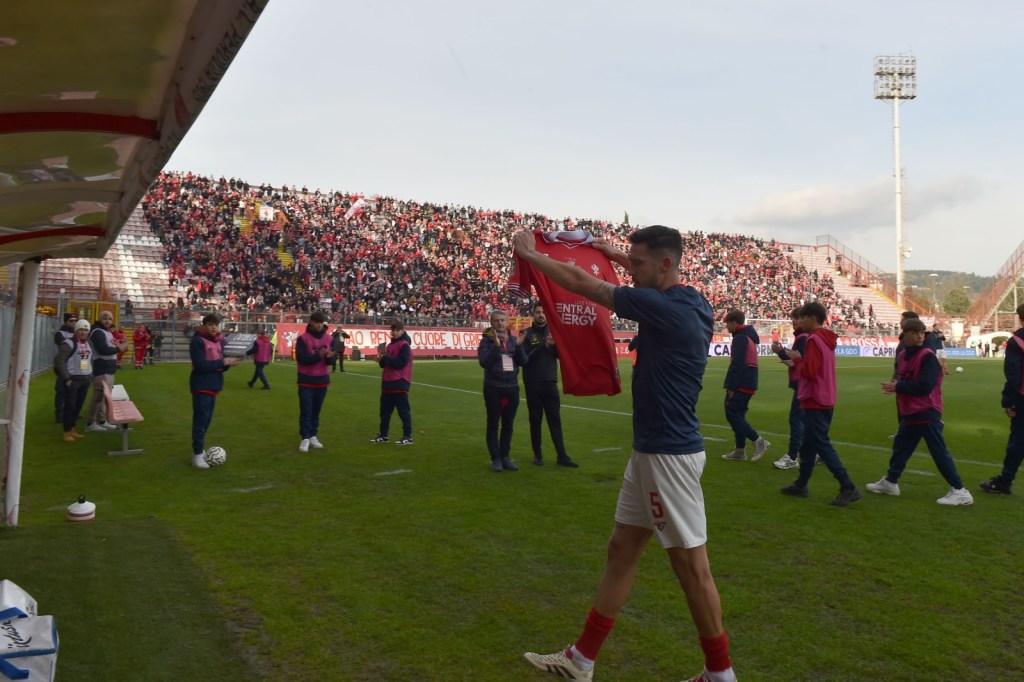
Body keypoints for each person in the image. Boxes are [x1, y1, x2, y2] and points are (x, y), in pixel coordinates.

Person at [514, 225, 737, 682]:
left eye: (636, 264)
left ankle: (720, 674)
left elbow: (583, 284)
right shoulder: (692, 300)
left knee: (692, 568)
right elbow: (641, 270)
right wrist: (610, 251)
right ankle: (581, 660)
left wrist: (531, 255)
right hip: (652, 453)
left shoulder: (660, 306)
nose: (629, 271)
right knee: (622, 548)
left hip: (667, 457)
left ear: (666, 265)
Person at [867, 317, 974, 505]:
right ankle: (891, 482)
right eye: (914, 333)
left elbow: (925, 386)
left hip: (927, 410)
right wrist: (896, 386)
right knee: (901, 448)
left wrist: (899, 387)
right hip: (911, 411)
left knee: (938, 450)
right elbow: (906, 381)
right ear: (904, 336)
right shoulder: (902, 356)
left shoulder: (928, 356)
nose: (919, 336)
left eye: (921, 333)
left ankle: (959, 490)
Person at [781, 302, 863, 507]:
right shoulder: (827, 339)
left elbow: (810, 372)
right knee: (808, 444)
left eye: (802, 317)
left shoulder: (814, 340)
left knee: (820, 443)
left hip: (815, 396)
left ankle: (848, 486)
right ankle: (801, 484)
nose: (799, 321)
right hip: (826, 395)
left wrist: (798, 360)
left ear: (813, 318)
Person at [520, 302, 577, 467]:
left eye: (543, 312)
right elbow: (524, 358)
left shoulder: (554, 333)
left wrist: (554, 346)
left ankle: (562, 456)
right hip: (533, 383)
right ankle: (537, 455)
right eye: (538, 312)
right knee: (535, 420)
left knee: (555, 420)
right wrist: (542, 346)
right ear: (533, 314)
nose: (541, 315)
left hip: (551, 382)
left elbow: (562, 356)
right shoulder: (526, 333)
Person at [980, 303, 1024, 494]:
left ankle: (1005, 481)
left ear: (1020, 317)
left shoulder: (1017, 342)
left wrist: (1008, 401)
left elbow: (1013, 375)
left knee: (1018, 442)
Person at [478, 309, 528, 473]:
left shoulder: (513, 340)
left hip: (512, 387)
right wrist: (496, 347)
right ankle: (496, 458)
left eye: (502, 320)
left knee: (508, 425)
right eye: (496, 321)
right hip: (493, 387)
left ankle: (505, 457)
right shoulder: (486, 341)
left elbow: (523, 362)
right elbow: (484, 363)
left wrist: (519, 347)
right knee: (493, 424)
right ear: (491, 324)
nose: (500, 323)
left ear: (507, 323)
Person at [720, 309, 770, 462]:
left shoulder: (741, 338)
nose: (726, 327)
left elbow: (738, 364)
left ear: (734, 323)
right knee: (737, 414)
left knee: (732, 414)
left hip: (742, 381)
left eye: (727, 324)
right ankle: (740, 450)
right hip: (749, 380)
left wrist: (731, 386)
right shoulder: (748, 336)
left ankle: (758, 441)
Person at [189, 313, 239, 468]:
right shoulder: (197, 341)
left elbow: (217, 365)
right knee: (201, 420)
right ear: (204, 325)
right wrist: (221, 362)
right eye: (210, 324)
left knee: (206, 420)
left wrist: (226, 365)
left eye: (216, 325)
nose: (214, 327)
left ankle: (199, 449)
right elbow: (200, 365)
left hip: (213, 385)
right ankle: (197, 454)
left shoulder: (218, 342)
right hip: (201, 385)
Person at [771, 308, 809, 470]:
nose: (794, 321)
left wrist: (780, 352)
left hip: (803, 383)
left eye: (797, 318)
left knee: (796, 419)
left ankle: (793, 457)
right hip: (806, 383)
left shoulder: (803, 337)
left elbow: (798, 359)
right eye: (793, 318)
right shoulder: (805, 336)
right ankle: (817, 452)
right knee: (808, 421)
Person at [295, 310, 335, 452]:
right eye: (316, 322)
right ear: (311, 322)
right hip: (306, 380)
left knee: (316, 411)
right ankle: (305, 437)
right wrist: (319, 355)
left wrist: (330, 357)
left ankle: (313, 435)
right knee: (306, 410)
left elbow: (332, 360)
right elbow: (302, 359)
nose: (319, 325)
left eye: (321, 322)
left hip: (322, 380)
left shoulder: (329, 339)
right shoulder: (302, 339)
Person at [369, 320, 414, 445]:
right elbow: (385, 365)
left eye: (396, 330)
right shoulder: (389, 346)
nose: (394, 332)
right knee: (384, 413)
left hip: (400, 382)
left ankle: (407, 436)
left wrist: (386, 359)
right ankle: (384, 435)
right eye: (392, 330)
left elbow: (401, 363)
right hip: (388, 382)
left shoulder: (404, 345)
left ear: (402, 331)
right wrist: (381, 359)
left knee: (403, 412)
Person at [86, 310, 128, 432]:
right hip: (101, 368)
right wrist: (119, 349)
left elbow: (110, 349)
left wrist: (120, 348)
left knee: (104, 397)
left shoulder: (106, 332)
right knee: (98, 397)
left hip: (108, 368)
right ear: (99, 319)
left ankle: (101, 421)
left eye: (110, 319)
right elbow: (103, 350)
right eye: (105, 318)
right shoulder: (97, 332)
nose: (107, 321)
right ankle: (90, 423)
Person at [55, 319, 93, 442]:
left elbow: (89, 360)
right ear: (76, 330)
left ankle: (72, 429)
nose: (83, 332)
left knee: (78, 406)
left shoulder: (89, 343)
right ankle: (66, 431)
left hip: (85, 379)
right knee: (69, 406)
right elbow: (59, 361)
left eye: (86, 330)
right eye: (81, 329)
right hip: (73, 380)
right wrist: (66, 378)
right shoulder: (68, 344)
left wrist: (90, 375)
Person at [53, 312, 77, 423]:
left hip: (74, 366)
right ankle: (59, 413)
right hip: (63, 366)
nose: (73, 323)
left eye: (75, 321)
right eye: (71, 321)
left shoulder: (76, 333)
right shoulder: (60, 333)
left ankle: (71, 412)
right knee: (61, 391)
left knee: (73, 391)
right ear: (65, 322)